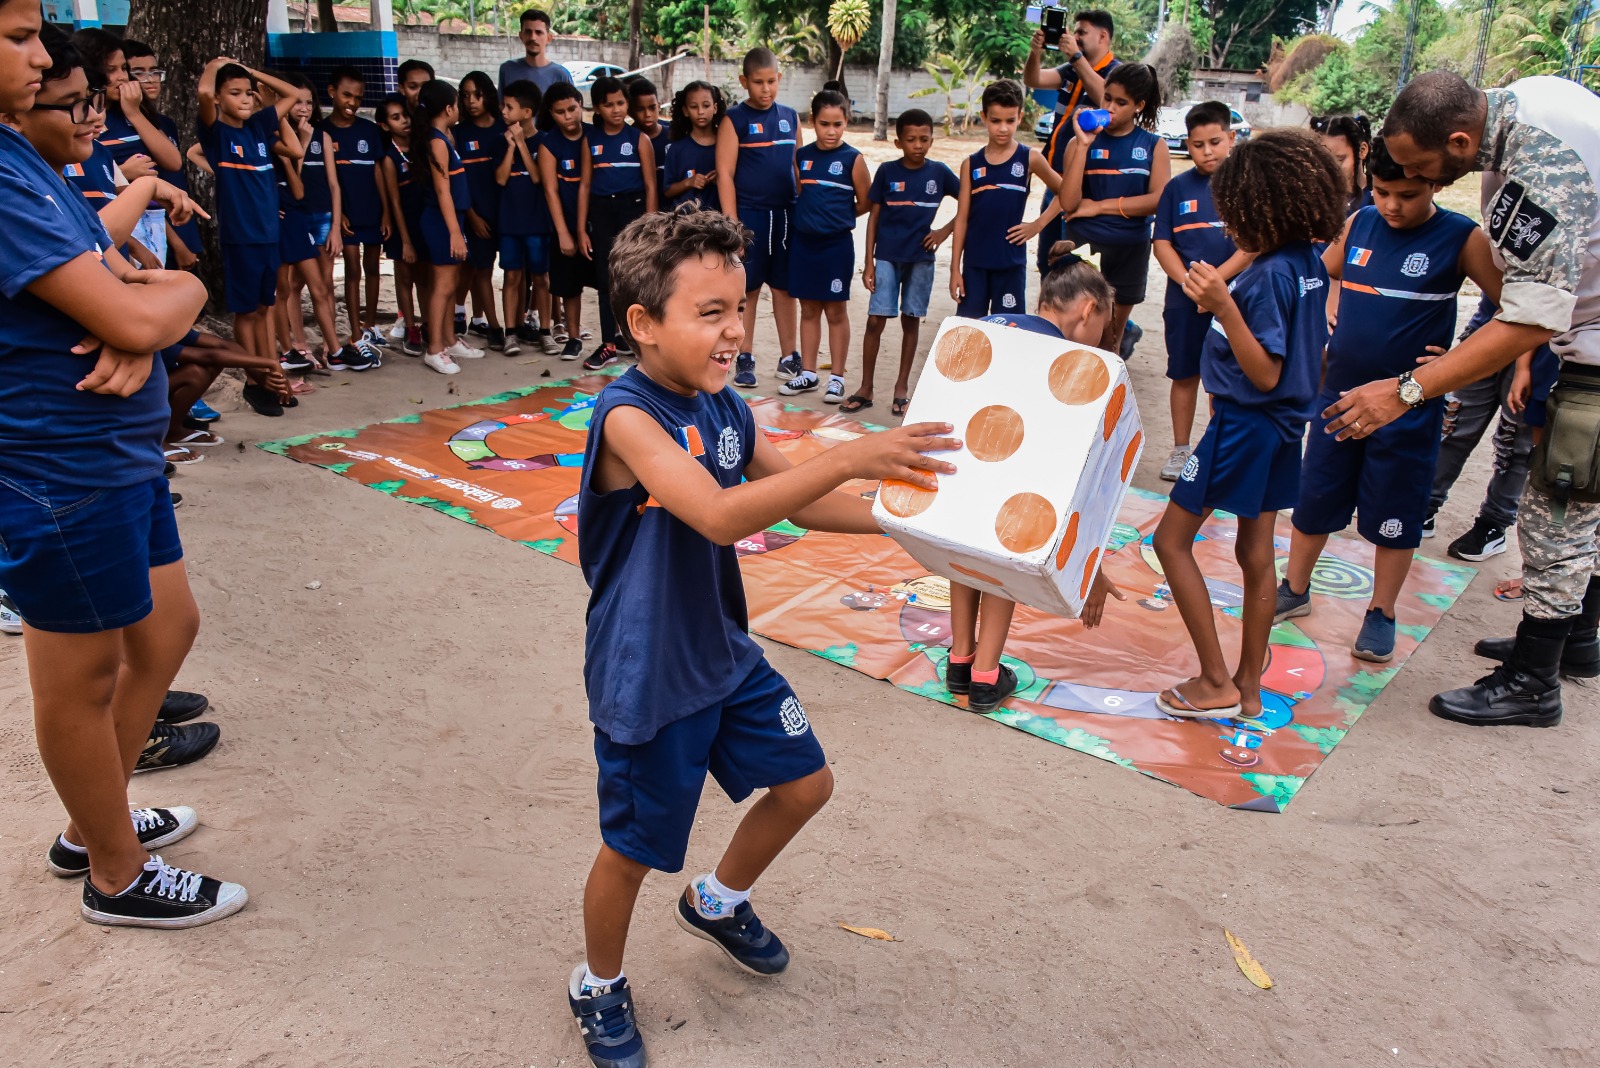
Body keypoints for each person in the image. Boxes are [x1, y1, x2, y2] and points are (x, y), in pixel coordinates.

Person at [567, 204, 960, 1068]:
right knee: (632, 852)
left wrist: (917, 530)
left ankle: (717, 898)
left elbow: (802, 498)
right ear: (642, 323)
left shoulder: (725, 406)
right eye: (710, 313)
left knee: (806, 785)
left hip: (721, 649)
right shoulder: (628, 417)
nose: (734, 330)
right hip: (650, 672)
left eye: (739, 309)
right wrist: (853, 454)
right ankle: (596, 983)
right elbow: (714, 515)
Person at [0, 8, 245, 927]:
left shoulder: (22, 159)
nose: (41, 55)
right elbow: (140, 308)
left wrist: (138, 314)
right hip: (59, 467)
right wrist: (166, 304)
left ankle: (91, 816)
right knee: (82, 679)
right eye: (20, 35)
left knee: (167, 628)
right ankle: (114, 870)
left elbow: (109, 275)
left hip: (116, 455)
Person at [1326, 71, 1600, 727]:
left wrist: (1410, 389)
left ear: (1457, 139)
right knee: (1586, 506)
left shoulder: (1540, 158)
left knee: (1557, 511)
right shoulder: (1521, 110)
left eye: (1423, 167)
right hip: (1581, 337)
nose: (1420, 179)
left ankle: (1534, 682)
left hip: (1591, 353)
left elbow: (1533, 314)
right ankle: (1577, 642)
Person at [1276, 136, 1502, 663]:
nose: (1393, 205)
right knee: (1315, 499)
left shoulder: (1462, 237)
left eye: (1407, 193)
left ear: (1435, 183)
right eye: (1382, 192)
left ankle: (1382, 612)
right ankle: (1295, 587)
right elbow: (1325, 269)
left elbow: (1510, 305)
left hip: (1408, 407)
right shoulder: (1360, 224)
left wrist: (1452, 361)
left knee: (1395, 516)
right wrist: (1331, 304)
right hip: (1338, 398)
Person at [1152, 130, 1345, 719]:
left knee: (1169, 541)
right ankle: (1249, 688)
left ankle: (1216, 680)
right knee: (1256, 552)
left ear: (1264, 209)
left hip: (1246, 424)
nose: (1225, 222)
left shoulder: (1264, 279)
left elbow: (1264, 372)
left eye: (1231, 210)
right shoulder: (1304, 263)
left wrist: (1223, 303)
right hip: (1281, 429)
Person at [944, 260, 1127, 711]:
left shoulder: (990, 322)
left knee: (964, 555)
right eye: (1102, 329)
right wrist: (1090, 564)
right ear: (1088, 310)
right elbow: (1074, 467)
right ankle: (986, 675)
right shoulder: (1067, 360)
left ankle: (960, 659)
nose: (1099, 343)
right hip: (1013, 481)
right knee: (1005, 558)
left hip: (961, 468)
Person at [1152, 101, 1250, 482]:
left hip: (1235, 299)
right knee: (1184, 373)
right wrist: (1190, 287)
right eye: (1197, 145)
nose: (1206, 151)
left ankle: (1216, 451)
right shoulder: (1176, 189)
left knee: (1225, 378)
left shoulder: (1248, 184)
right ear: (1187, 145)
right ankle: (1180, 450)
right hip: (1184, 301)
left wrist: (1215, 286)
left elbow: (1254, 245)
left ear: (1231, 137)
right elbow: (1162, 244)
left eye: (1214, 142)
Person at [1424, 294, 1560, 562]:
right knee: (1453, 423)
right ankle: (1424, 504)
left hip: (1541, 341)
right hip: (1490, 326)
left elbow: (1543, 299)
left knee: (1514, 441)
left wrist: (1523, 366)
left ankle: (1493, 524)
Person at [1048, 62, 1167, 356]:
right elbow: (1070, 202)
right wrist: (1083, 146)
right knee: (1076, 334)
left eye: (1121, 102)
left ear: (1138, 106)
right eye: (1107, 98)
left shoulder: (1154, 146)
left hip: (1130, 249)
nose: (1111, 107)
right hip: (1086, 247)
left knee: (1111, 339)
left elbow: (1158, 200)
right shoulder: (1080, 143)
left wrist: (1099, 206)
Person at [847, 108, 958, 417]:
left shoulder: (939, 173)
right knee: (875, 321)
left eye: (924, 139)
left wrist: (943, 232)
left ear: (932, 140)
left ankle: (901, 389)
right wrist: (868, 262)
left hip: (921, 259)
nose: (918, 145)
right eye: (911, 139)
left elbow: (970, 201)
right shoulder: (887, 172)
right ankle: (866, 387)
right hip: (886, 258)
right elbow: (873, 219)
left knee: (911, 321)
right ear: (899, 143)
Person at [197, 56, 301, 376]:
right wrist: (216, 65)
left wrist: (251, 73)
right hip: (241, 239)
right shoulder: (216, 134)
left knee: (263, 307)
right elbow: (202, 93)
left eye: (247, 93)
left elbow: (293, 95)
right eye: (233, 92)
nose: (243, 99)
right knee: (246, 312)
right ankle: (255, 377)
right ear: (218, 98)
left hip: (270, 235)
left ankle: (271, 371)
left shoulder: (258, 128)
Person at [776, 89, 867, 402]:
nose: (831, 131)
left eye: (838, 124)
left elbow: (866, 201)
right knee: (809, 309)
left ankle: (837, 378)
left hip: (836, 247)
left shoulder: (853, 159)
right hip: (804, 245)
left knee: (836, 312)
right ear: (813, 121)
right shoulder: (802, 156)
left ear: (846, 122)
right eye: (825, 124)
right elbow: (803, 193)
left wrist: (837, 217)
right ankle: (809, 374)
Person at [719, 47, 802, 389]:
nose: (765, 89)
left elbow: (798, 166)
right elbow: (724, 174)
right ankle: (745, 357)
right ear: (744, 82)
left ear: (779, 79)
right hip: (749, 218)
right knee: (748, 290)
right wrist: (733, 226)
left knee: (784, 289)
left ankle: (790, 356)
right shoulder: (734, 120)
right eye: (758, 82)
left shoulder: (791, 117)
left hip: (785, 216)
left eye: (771, 82)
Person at [949, 79, 1062, 319]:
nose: (1003, 128)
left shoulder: (1029, 158)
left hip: (1010, 265)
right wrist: (954, 269)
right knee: (971, 332)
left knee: (1009, 332)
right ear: (984, 117)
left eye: (1010, 121)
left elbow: (1066, 193)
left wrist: (1038, 225)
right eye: (996, 120)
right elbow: (961, 219)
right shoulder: (971, 164)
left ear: (1020, 117)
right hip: (974, 266)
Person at [1023, 9, 1119, 278]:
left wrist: (1076, 58)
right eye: (1074, 31)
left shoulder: (1116, 73)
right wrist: (1035, 52)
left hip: (1084, 185)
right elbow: (1033, 79)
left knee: (1075, 265)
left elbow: (1105, 99)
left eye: (1081, 32)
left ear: (1102, 36)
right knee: (1048, 261)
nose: (1074, 37)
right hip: (1056, 178)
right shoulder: (1070, 70)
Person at [72, 28, 178, 265]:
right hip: (103, 224)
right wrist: (123, 174)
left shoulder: (133, 112)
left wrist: (134, 112)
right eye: (111, 70)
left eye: (123, 69)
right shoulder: (80, 120)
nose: (121, 77)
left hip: (150, 219)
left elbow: (173, 161)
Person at [580, 75, 656, 371]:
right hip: (601, 212)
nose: (615, 109)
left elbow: (651, 185)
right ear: (597, 108)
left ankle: (635, 340)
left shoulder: (639, 139)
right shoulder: (591, 141)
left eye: (620, 103)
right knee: (605, 279)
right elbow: (585, 185)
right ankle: (608, 344)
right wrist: (579, 228)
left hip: (633, 211)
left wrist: (649, 227)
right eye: (608, 104)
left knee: (636, 278)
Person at [322, 65, 391, 355]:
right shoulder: (321, 132)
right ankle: (353, 331)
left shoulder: (369, 131)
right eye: (346, 95)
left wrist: (386, 211)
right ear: (332, 93)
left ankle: (370, 326)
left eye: (358, 98)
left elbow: (379, 173)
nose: (352, 102)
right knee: (352, 269)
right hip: (345, 217)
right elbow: (324, 181)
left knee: (372, 268)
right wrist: (338, 217)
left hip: (372, 213)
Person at [412, 79, 476, 375]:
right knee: (444, 285)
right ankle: (435, 348)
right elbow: (442, 192)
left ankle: (449, 339)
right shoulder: (437, 141)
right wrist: (454, 232)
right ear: (449, 107)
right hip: (441, 221)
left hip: (452, 218)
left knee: (450, 282)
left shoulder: (442, 136)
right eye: (457, 103)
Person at [121, 40, 199, 269]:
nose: (150, 79)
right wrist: (177, 243)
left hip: (181, 224)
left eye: (154, 71)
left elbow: (173, 166)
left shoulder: (163, 123)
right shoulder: (118, 127)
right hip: (152, 235)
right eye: (139, 72)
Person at [498, 81, 557, 358]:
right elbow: (499, 179)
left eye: (509, 107)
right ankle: (511, 332)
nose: (503, 111)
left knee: (541, 277)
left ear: (526, 112)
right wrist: (511, 147)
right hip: (509, 222)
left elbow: (537, 177)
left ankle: (545, 331)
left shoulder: (544, 141)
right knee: (511, 275)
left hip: (536, 222)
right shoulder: (502, 139)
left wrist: (521, 143)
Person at [538, 81, 591, 361]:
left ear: (581, 106)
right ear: (551, 113)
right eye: (560, 112)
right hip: (565, 226)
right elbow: (550, 190)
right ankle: (573, 337)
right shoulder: (549, 144)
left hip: (597, 223)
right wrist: (563, 233)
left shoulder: (595, 135)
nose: (568, 116)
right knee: (570, 286)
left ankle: (616, 335)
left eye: (572, 109)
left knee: (611, 283)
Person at [454, 70, 506, 349]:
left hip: (506, 214)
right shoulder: (459, 133)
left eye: (477, 94)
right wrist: (471, 216)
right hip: (475, 216)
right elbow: (457, 182)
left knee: (509, 273)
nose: (471, 101)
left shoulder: (503, 128)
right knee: (480, 270)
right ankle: (493, 326)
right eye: (465, 95)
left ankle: (516, 323)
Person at [377, 92, 426, 357]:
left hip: (425, 222)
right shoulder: (388, 158)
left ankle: (429, 325)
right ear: (385, 126)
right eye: (396, 118)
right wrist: (405, 240)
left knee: (426, 278)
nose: (404, 121)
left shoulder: (421, 147)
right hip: (403, 225)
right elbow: (395, 203)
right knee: (405, 277)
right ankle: (410, 327)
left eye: (405, 115)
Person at [663, 80, 722, 214]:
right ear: (685, 111)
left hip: (720, 222)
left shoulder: (726, 143)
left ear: (715, 108)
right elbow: (667, 190)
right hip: (686, 223)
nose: (700, 111)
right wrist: (688, 182)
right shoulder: (677, 148)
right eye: (694, 107)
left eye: (706, 105)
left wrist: (722, 178)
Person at [500, 8, 574, 97]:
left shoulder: (561, 75)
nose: (533, 37)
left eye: (538, 32)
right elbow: (501, 107)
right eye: (528, 32)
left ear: (549, 38)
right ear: (521, 36)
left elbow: (572, 108)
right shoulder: (507, 70)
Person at [1313, 114, 1373, 217]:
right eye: (1323, 160)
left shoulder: (1381, 197)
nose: (1329, 168)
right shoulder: (1316, 200)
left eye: (1339, 159)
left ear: (1362, 150)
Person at [627, 76, 668, 196]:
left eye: (652, 107)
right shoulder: (626, 139)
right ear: (630, 111)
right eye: (640, 109)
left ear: (659, 105)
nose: (647, 114)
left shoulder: (674, 135)